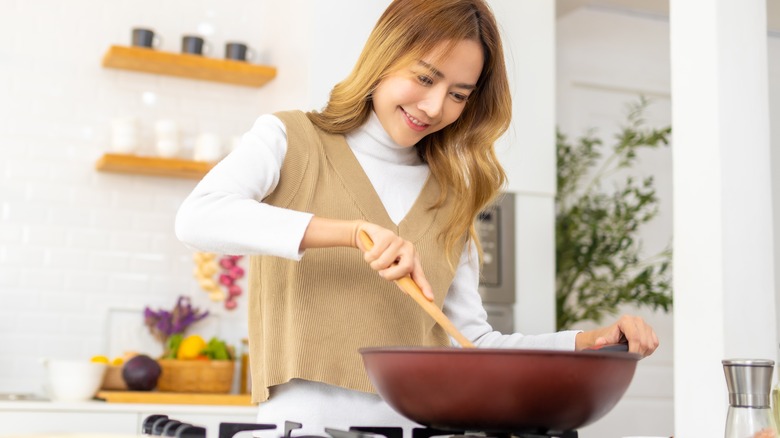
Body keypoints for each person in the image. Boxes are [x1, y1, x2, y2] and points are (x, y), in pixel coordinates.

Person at [175, 0, 659, 433]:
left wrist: (586, 342)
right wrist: (351, 232)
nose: (434, 107)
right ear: (383, 57)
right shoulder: (290, 140)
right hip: (301, 427)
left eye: (459, 93)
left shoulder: (453, 194)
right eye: (425, 78)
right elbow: (197, 218)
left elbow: (472, 342)